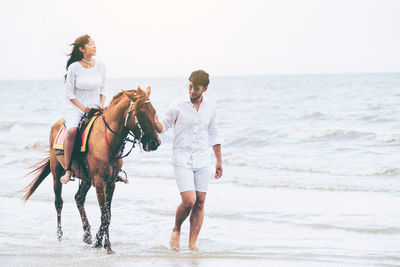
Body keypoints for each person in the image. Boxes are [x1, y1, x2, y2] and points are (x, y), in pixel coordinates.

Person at [154, 70, 223, 251]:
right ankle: (176, 229)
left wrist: (219, 161)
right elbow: (164, 126)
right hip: (181, 158)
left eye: (196, 88)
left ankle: (192, 244)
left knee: (200, 200)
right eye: (190, 86)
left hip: (202, 158)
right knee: (189, 200)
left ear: (205, 88)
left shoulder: (211, 107)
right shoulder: (177, 105)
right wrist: (154, 122)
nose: (192, 91)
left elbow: (214, 133)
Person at [60, 34, 106, 184]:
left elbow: (103, 89)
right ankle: (68, 169)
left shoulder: (100, 65)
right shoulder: (74, 67)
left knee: (112, 128)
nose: (94, 46)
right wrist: (82, 108)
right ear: (81, 49)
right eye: (90, 44)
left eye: (94, 43)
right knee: (72, 131)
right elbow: (69, 93)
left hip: (96, 107)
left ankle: (112, 168)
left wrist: (101, 105)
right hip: (75, 107)